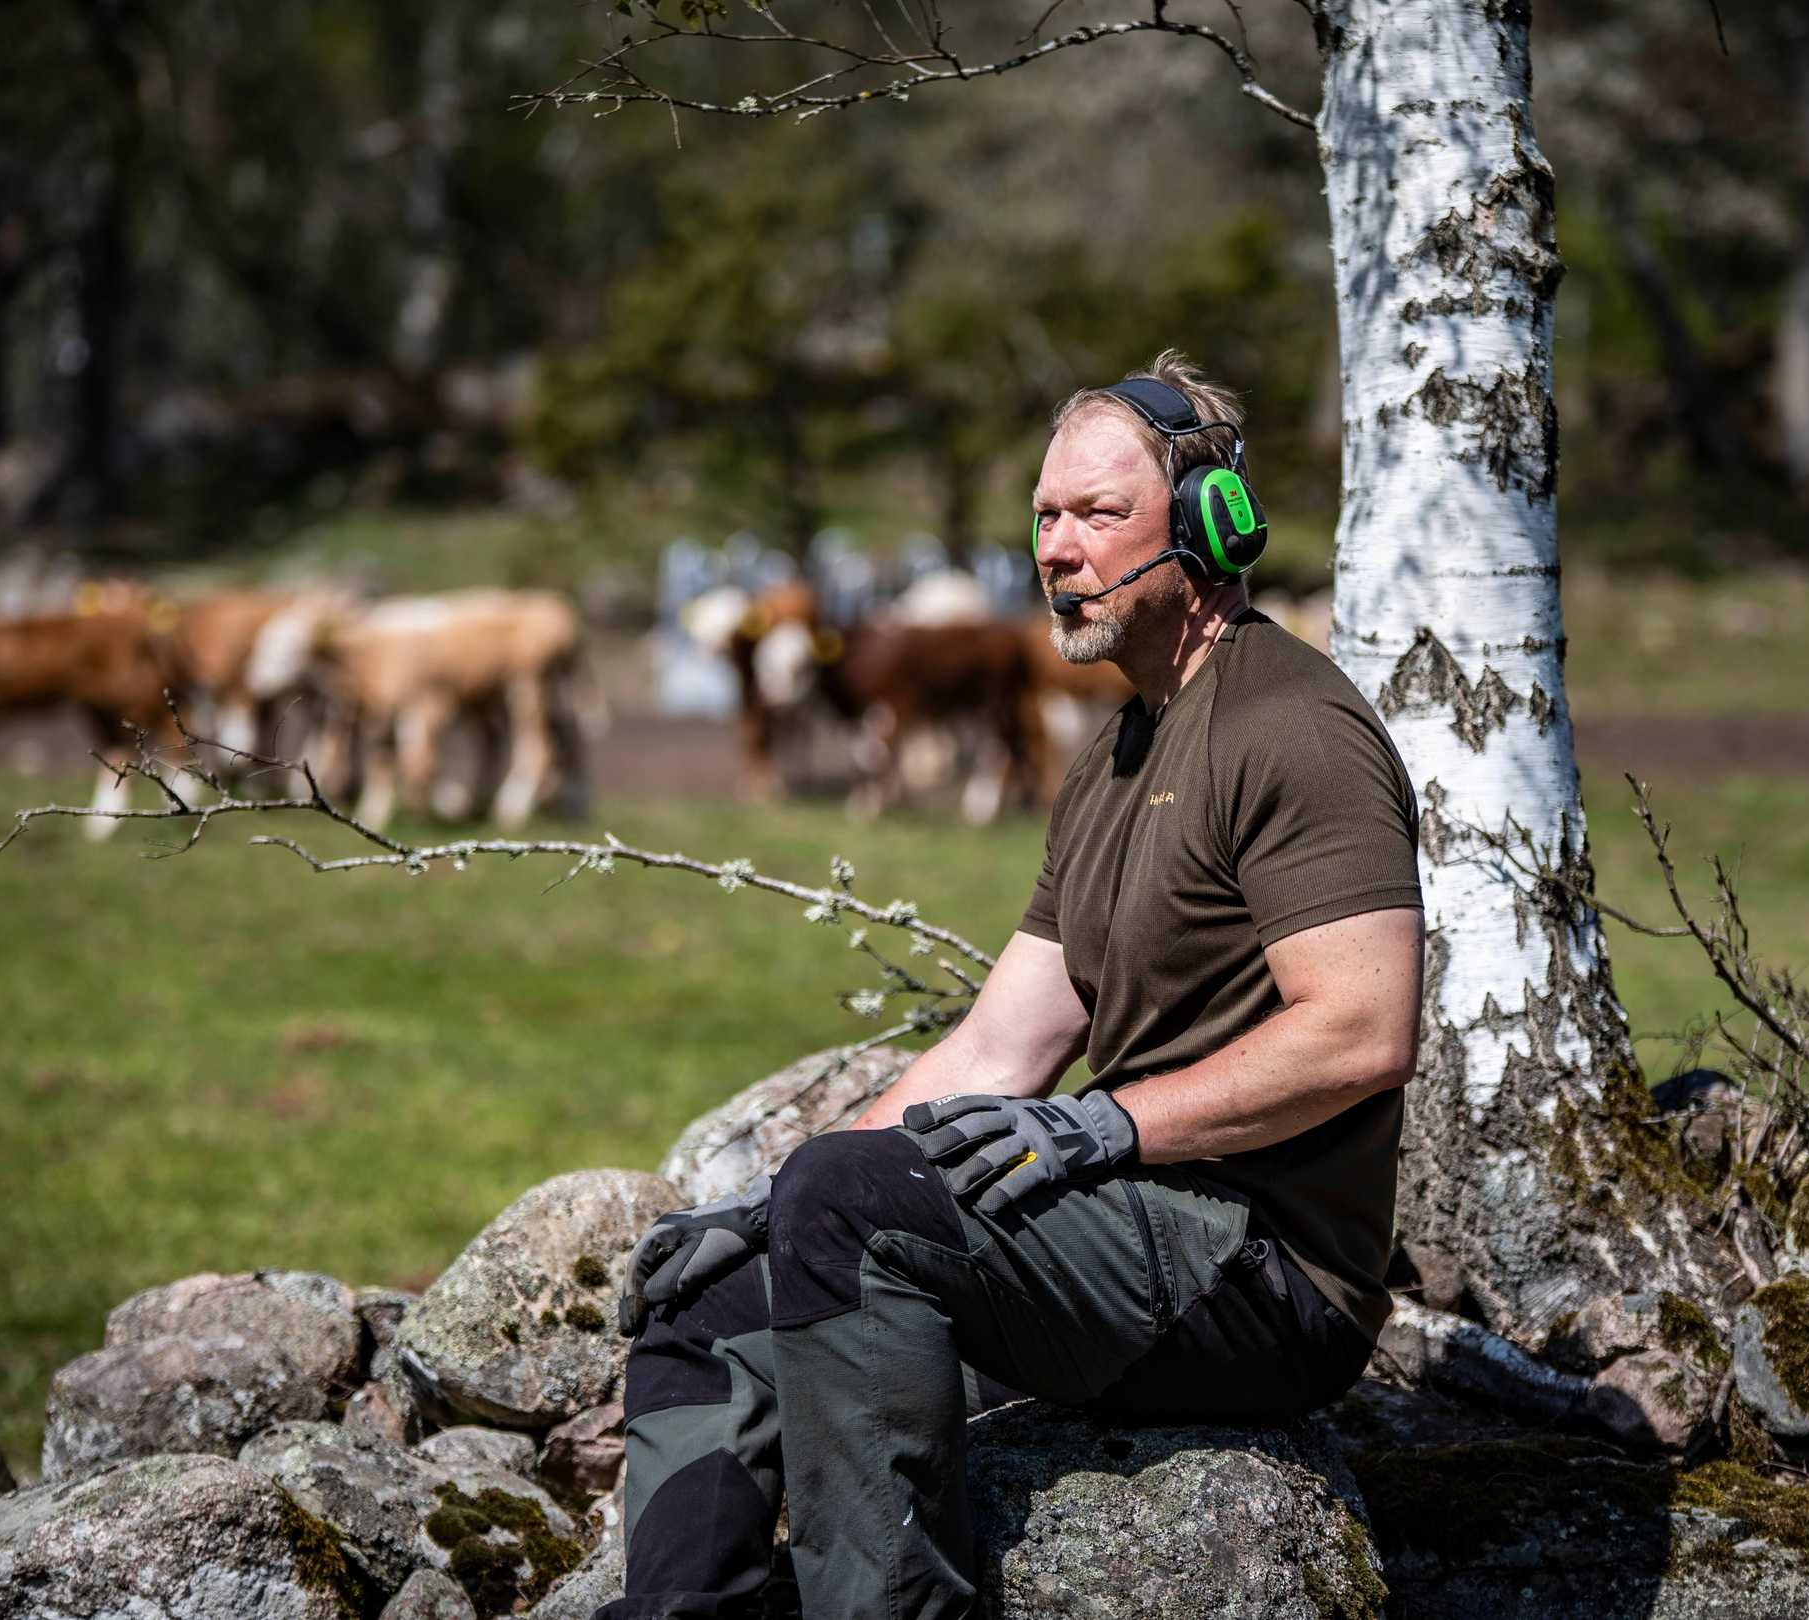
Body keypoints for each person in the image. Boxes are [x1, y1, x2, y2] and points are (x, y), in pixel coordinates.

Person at [602, 352, 1426, 1620]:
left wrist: (1107, 1126)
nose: (1057, 549)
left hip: (1263, 1275)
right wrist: (763, 1206)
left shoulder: (1293, 727)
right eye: (1045, 515)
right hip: (1130, 1229)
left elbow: (1362, 1030)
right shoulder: (1112, 757)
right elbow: (998, 1049)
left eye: (1098, 513)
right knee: (707, 1291)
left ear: (1212, 522)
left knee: (852, 1210)